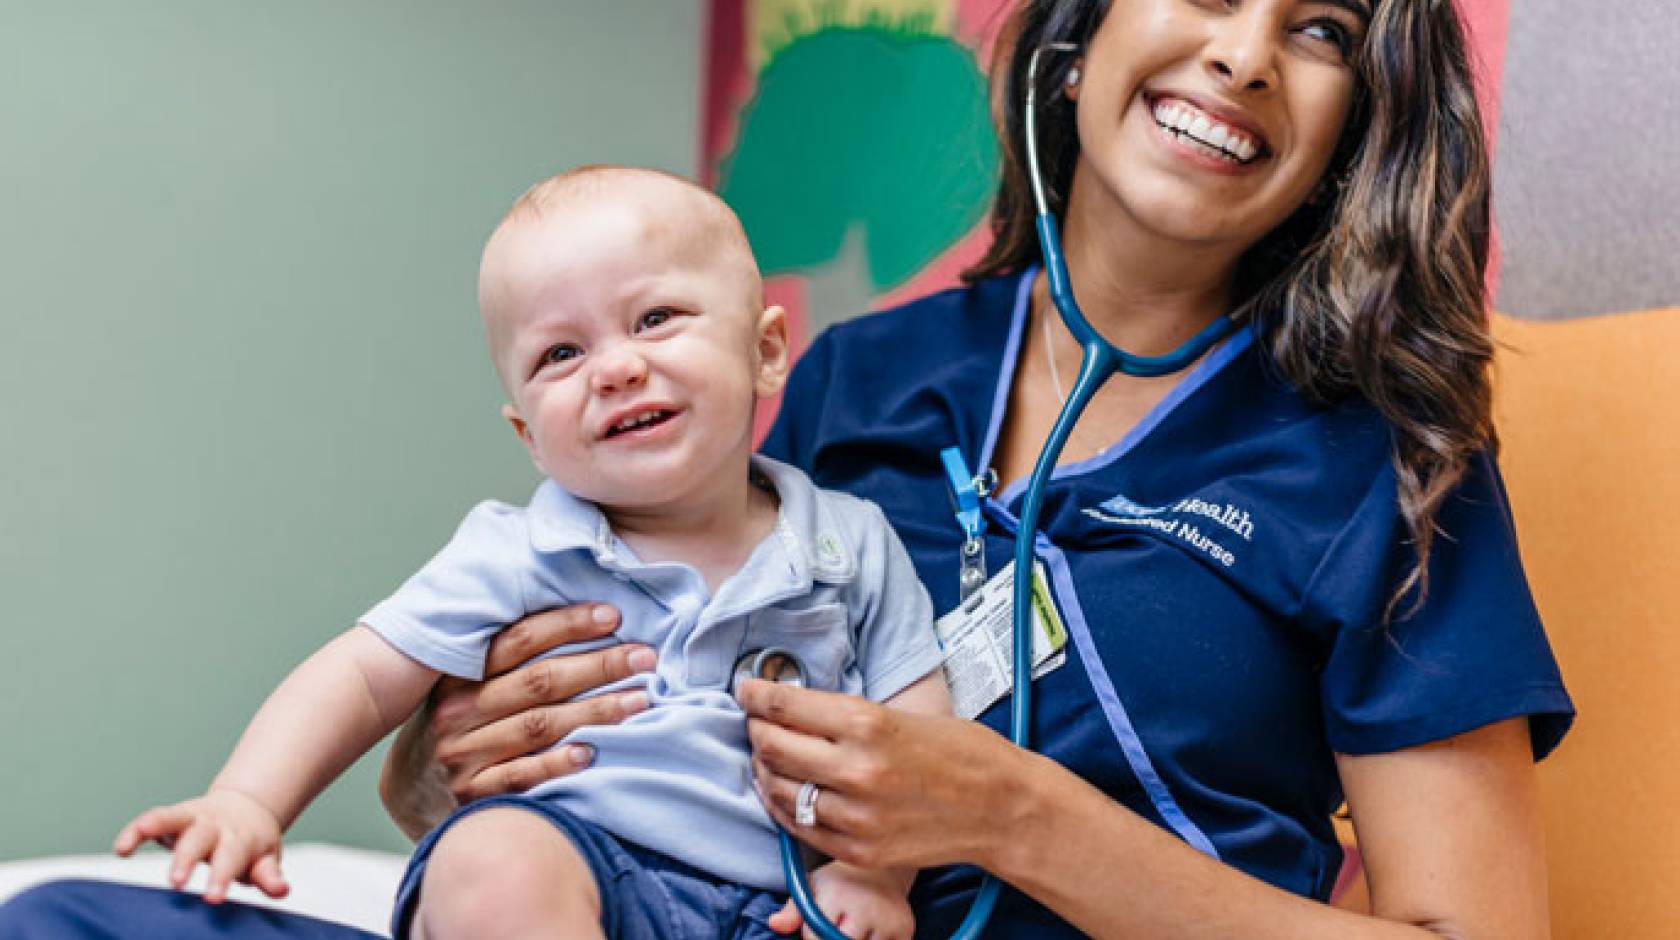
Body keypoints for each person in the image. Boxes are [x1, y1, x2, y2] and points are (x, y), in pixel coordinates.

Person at [0, 0, 1574, 938]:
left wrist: (1016, 820)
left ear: (1363, 114)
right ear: (1086, 32)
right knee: (62, 921)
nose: (1241, 55)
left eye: (1320, 29)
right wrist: (454, 755)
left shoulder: (1387, 462)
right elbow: (640, 675)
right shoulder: (855, 374)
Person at [109, 166, 952, 940]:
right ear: (530, 438)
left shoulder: (851, 542)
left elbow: (919, 729)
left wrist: (874, 872)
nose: (616, 369)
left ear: (765, 351)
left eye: (655, 318)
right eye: (560, 355)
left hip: (783, 905)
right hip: (575, 860)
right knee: (492, 862)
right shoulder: (519, 552)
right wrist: (248, 800)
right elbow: (361, 676)